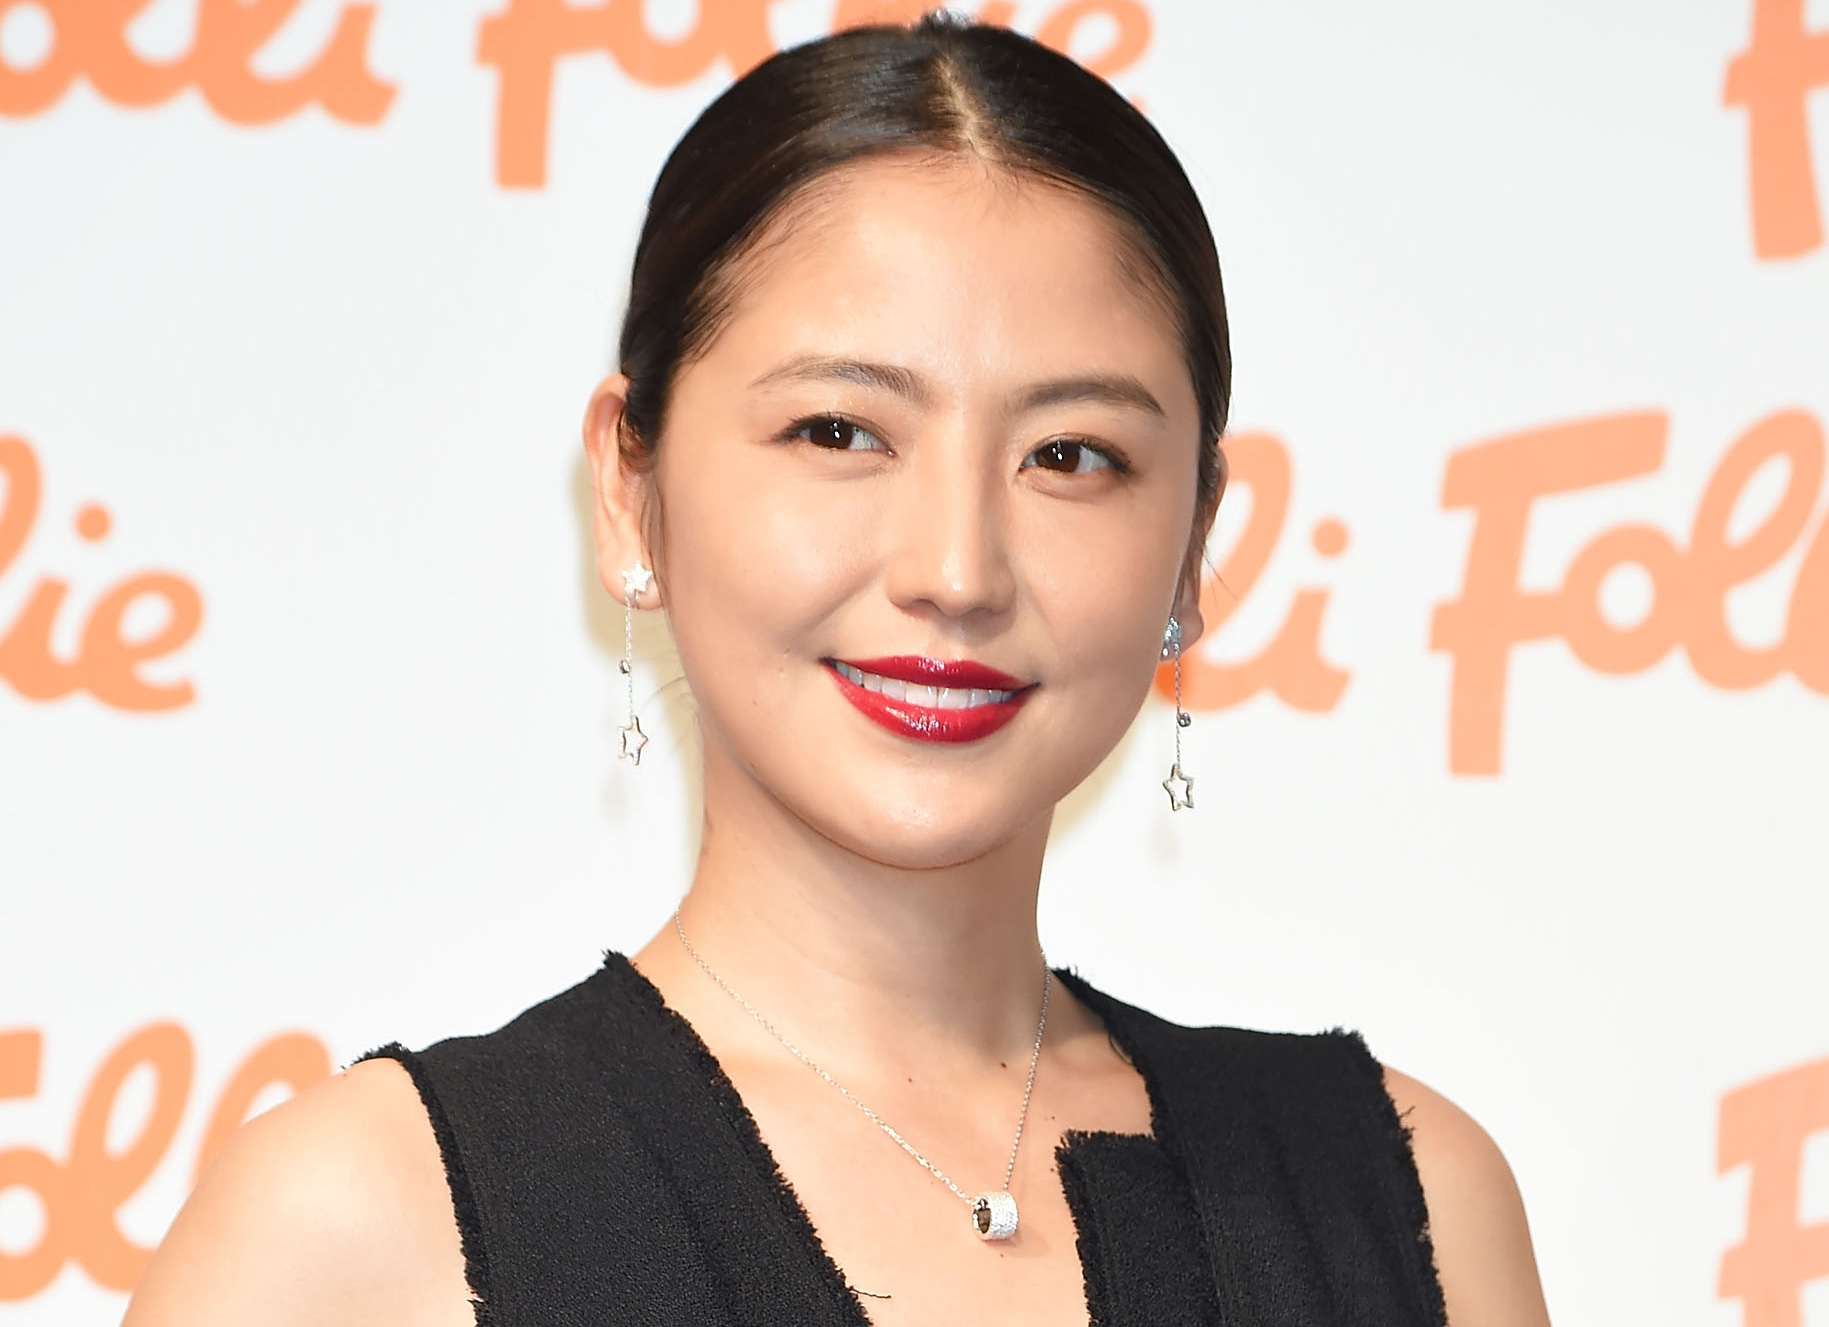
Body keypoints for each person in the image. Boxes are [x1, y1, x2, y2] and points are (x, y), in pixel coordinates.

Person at [124, 14, 1551, 1326]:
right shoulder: (364, 1233)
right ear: (630, 488)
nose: (957, 569)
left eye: (1071, 455)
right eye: (839, 432)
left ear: (1191, 544)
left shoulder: (1408, 1205)